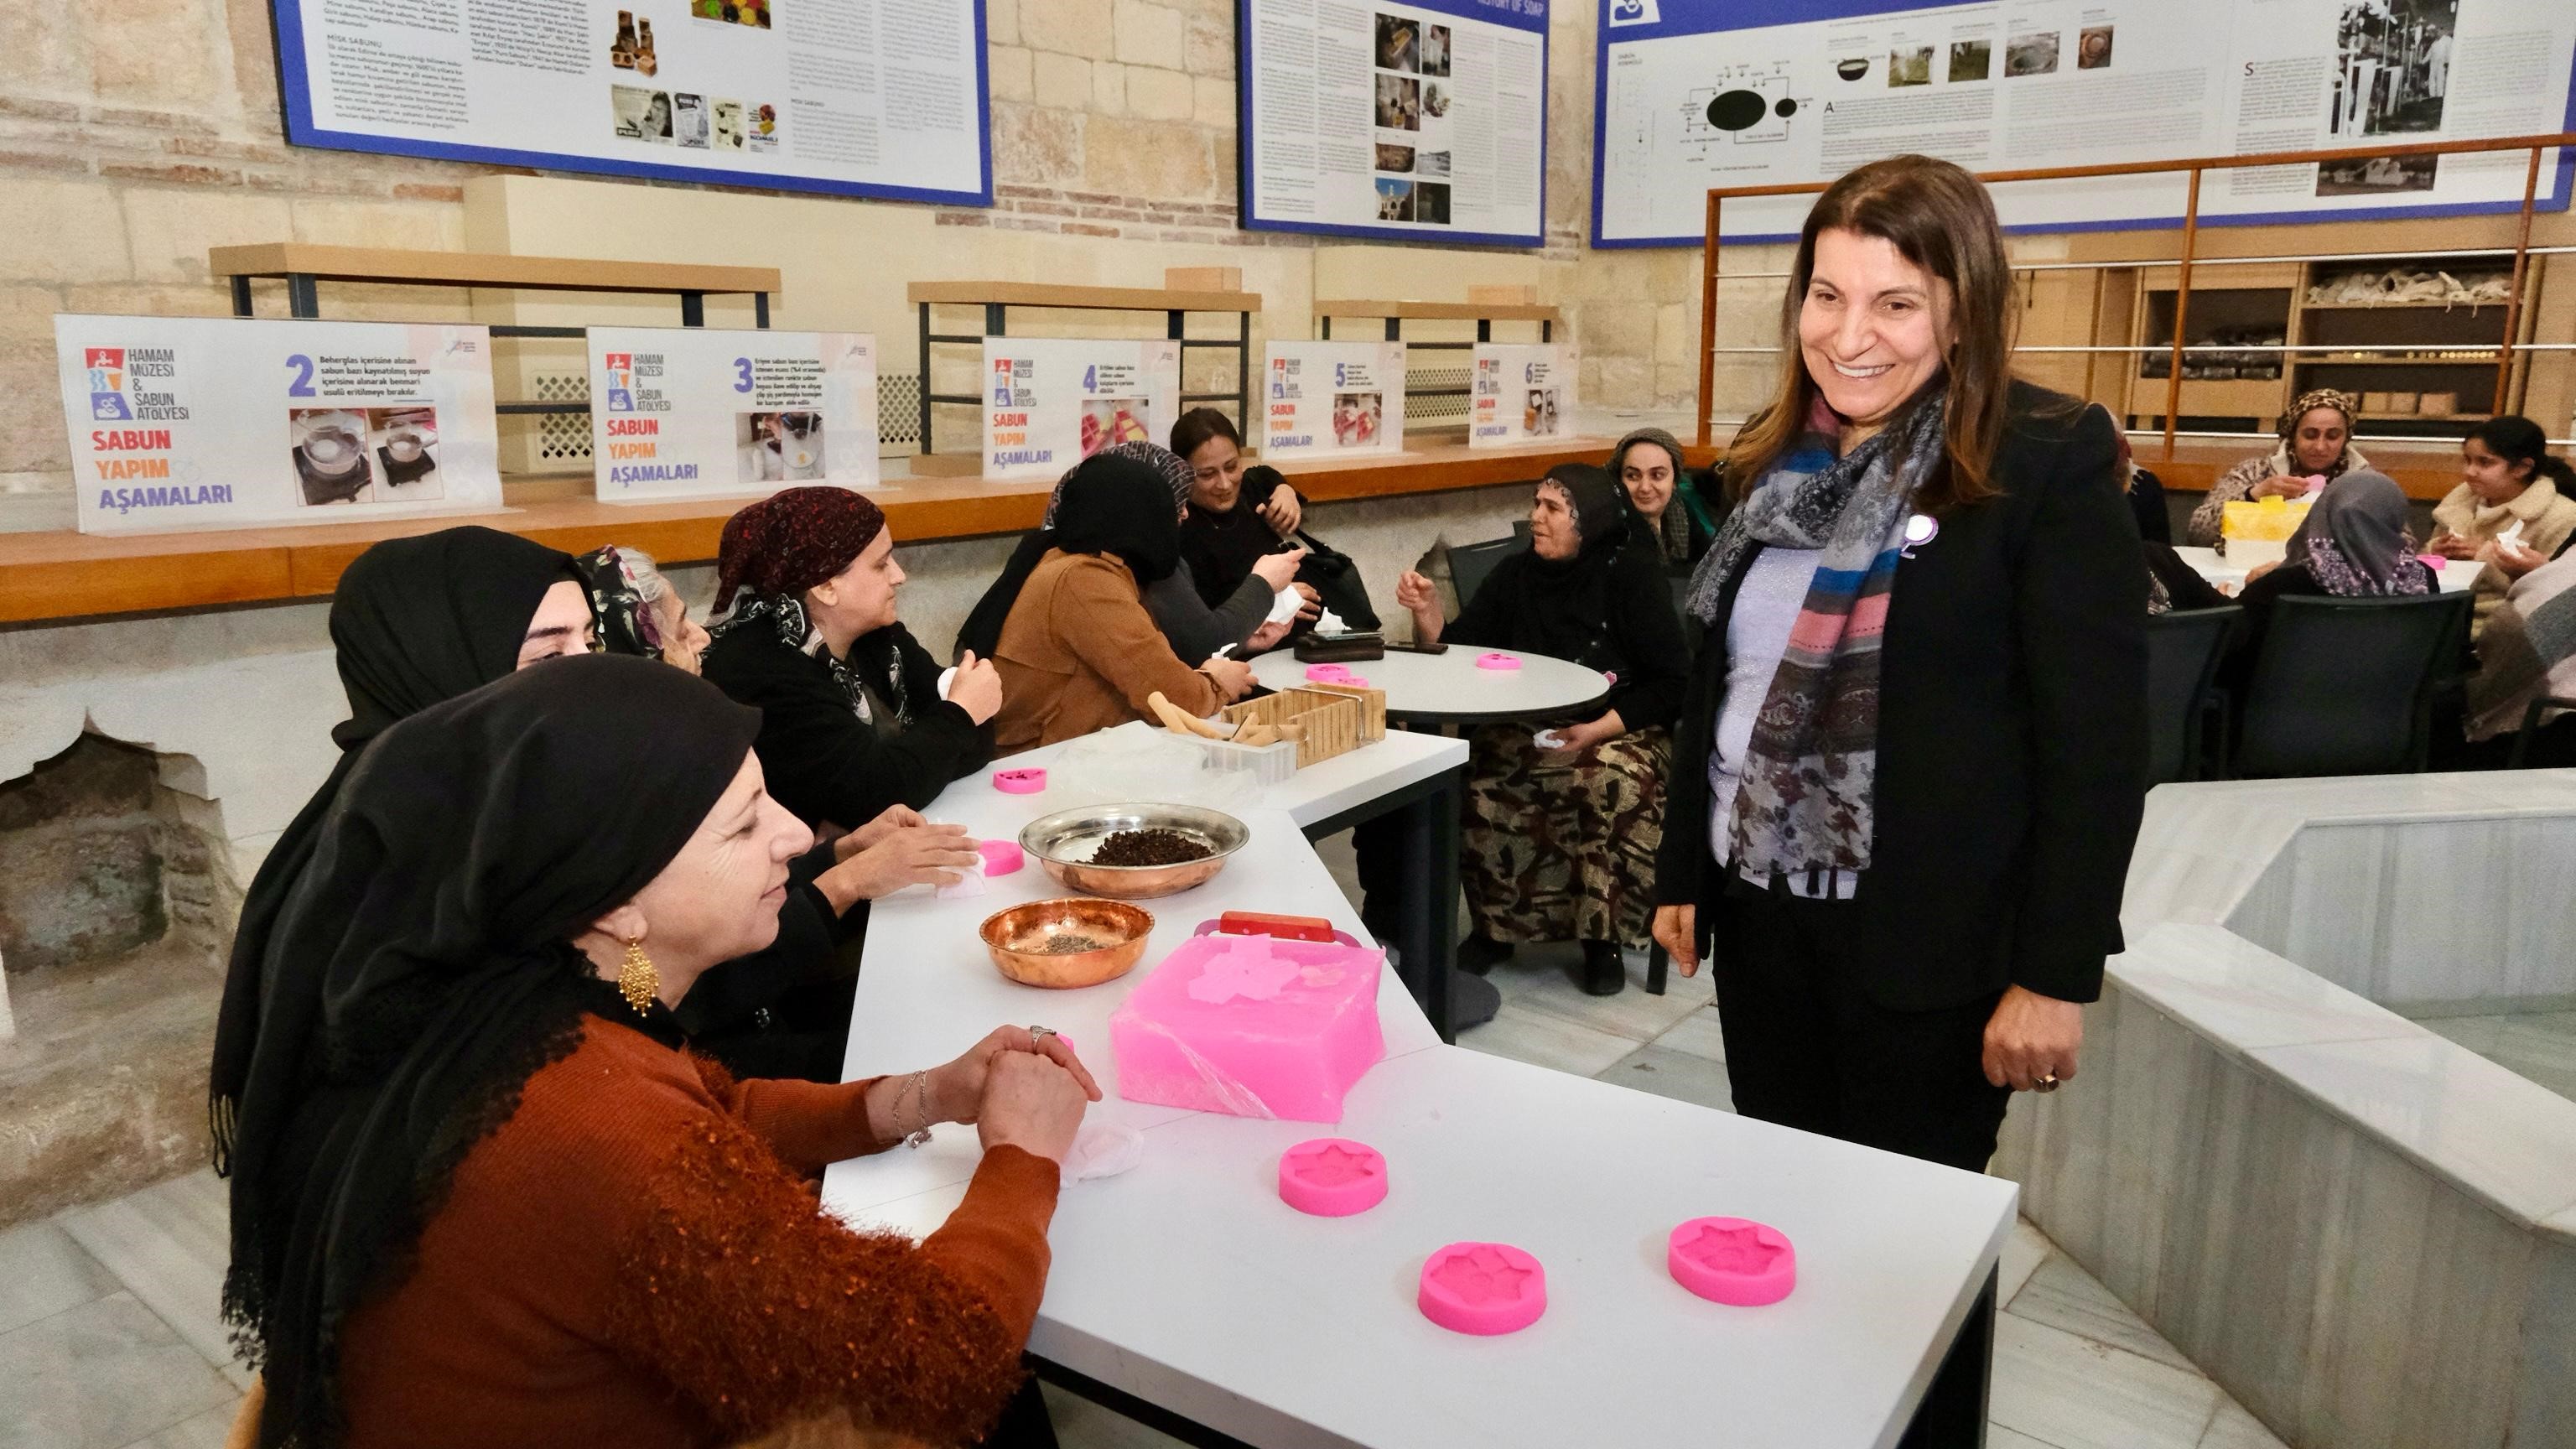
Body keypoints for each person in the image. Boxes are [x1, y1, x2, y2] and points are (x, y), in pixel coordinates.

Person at [218, 655, 1098, 1448]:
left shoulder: (554, 988)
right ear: (618, 905)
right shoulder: (593, 1127)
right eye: (746, 824)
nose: (795, 836)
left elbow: (717, 1107)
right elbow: (929, 1367)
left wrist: (919, 1095)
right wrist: (1022, 1158)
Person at [1649, 155, 2147, 1211]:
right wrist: (1686, 870)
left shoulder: (2044, 459)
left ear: (1964, 312)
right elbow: (1723, 685)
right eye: (1827, 296)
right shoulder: (1778, 458)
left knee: (1904, 1245)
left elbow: (2097, 747)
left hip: (1931, 944)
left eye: (1896, 303)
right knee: (1783, 1206)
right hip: (1766, 917)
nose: (1849, 334)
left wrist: (2056, 975)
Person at [210, 527, 588, 1173]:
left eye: (592, 639)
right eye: (550, 656)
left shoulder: (497, 783)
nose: (592, 670)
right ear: (439, 658)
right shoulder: (412, 835)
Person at [576, 544, 978, 1080]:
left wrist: (842, 851)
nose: (703, 639)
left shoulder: (665, 746)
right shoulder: (619, 798)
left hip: (762, 1016)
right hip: (724, 1057)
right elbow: (699, 995)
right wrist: (846, 880)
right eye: (680, 626)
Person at [1392, 465, 1689, 996]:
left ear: (1588, 520)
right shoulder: (1517, 575)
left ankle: (1601, 938)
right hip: (1530, 723)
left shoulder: (1630, 576)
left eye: (1552, 508)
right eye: (1536, 504)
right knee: (1480, 772)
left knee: (1602, 782)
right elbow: (1462, 653)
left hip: (1621, 724)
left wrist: (1597, 730)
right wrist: (1429, 611)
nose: (1535, 517)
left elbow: (1671, 682)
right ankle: (1496, 928)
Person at [700, 487, 999, 832]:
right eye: (882, 564)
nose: (899, 576)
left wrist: (947, 731)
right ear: (826, 587)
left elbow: (973, 744)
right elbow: (875, 797)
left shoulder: (874, 635)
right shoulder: (764, 670)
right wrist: (959, 715)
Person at [989, 452, 1257, 751]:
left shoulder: (1080, 564)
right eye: (1164, 508)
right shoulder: (1085, 580)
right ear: (1136, 515)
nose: (1182, 516)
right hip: (1043, 767)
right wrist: (1217, 681)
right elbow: (1174, 698)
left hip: (1068, 754)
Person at [956, 439, 1308, 665]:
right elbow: (1196, 649)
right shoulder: (1092, 571)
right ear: (1139, 508)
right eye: (1174, 503)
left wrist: (1242, 642)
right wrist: (1264, 583)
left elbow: (1177, 651)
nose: (1185, 514)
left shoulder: (1051, 548)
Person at [1170, 408, 1380, 631]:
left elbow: (1262, 473)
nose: (1224, 484)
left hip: (1323, 635)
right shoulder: (1182, 528)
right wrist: (1275, 603)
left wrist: (1284, 489)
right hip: (1258, 653)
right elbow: (1203, 623)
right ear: (1181, 472)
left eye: (1231, 467)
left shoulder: (1250, 492)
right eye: (1207, 474)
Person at [2427, 415, 2576, 634]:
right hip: (2441, 617)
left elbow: (2559, 598)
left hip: (2506, 631)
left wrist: (2486, 556)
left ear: (2522, 468)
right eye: (2467, 460)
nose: (2470, 471)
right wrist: (2435, 554)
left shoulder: (2562, 517)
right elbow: (2421, 574)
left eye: (2485, 462)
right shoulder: (2458, 503)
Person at [2186, 389, 2369, 547]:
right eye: (2310, 435)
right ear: (2292, 436)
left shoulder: (2365, 484)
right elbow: (2198, 533)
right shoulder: (2254, 472)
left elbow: (2394, 544)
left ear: (2346, 439)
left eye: (2332, 436)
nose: (2320, 446)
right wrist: (2252, 496)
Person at [1607, 426, 1718, 570]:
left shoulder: (1681, 511)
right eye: (1633, 476)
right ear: (1619, 480)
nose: (1645, 487)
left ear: (1674, 481)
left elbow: (1708, 565)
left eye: (1657, 475)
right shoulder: (1612, 528)